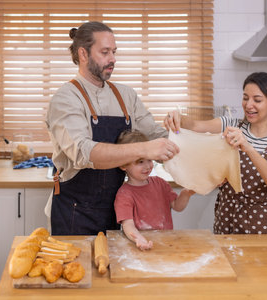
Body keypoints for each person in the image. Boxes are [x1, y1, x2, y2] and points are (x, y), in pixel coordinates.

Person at [46, 21, 179, 235]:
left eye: (114, 52)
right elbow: (83, 152)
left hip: (120, 211)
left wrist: (196, 146)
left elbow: (156, 136)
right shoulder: (66, 99)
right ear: (83, 54)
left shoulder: (126, 96)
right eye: (105, 52)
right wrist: (144, 149)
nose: (113, 59)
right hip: (75, 214)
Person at [164, 72, 267, 234]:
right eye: (245, 98)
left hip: (262, 228)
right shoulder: (230, 124)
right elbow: (195, 126)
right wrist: (178, 118)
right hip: (225, 223)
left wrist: (248, 147)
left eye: (257, 100)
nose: (249, 105)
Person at [114, 130, 195, 250]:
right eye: (140, 162)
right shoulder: (124, 194)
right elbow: (128, 225)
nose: (147, 166)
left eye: (149, 160)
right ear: (123, 164)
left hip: (165, 244)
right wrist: (138, 239)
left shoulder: (160, 183)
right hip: (140, 245)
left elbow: (177, 206)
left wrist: (186, 193)